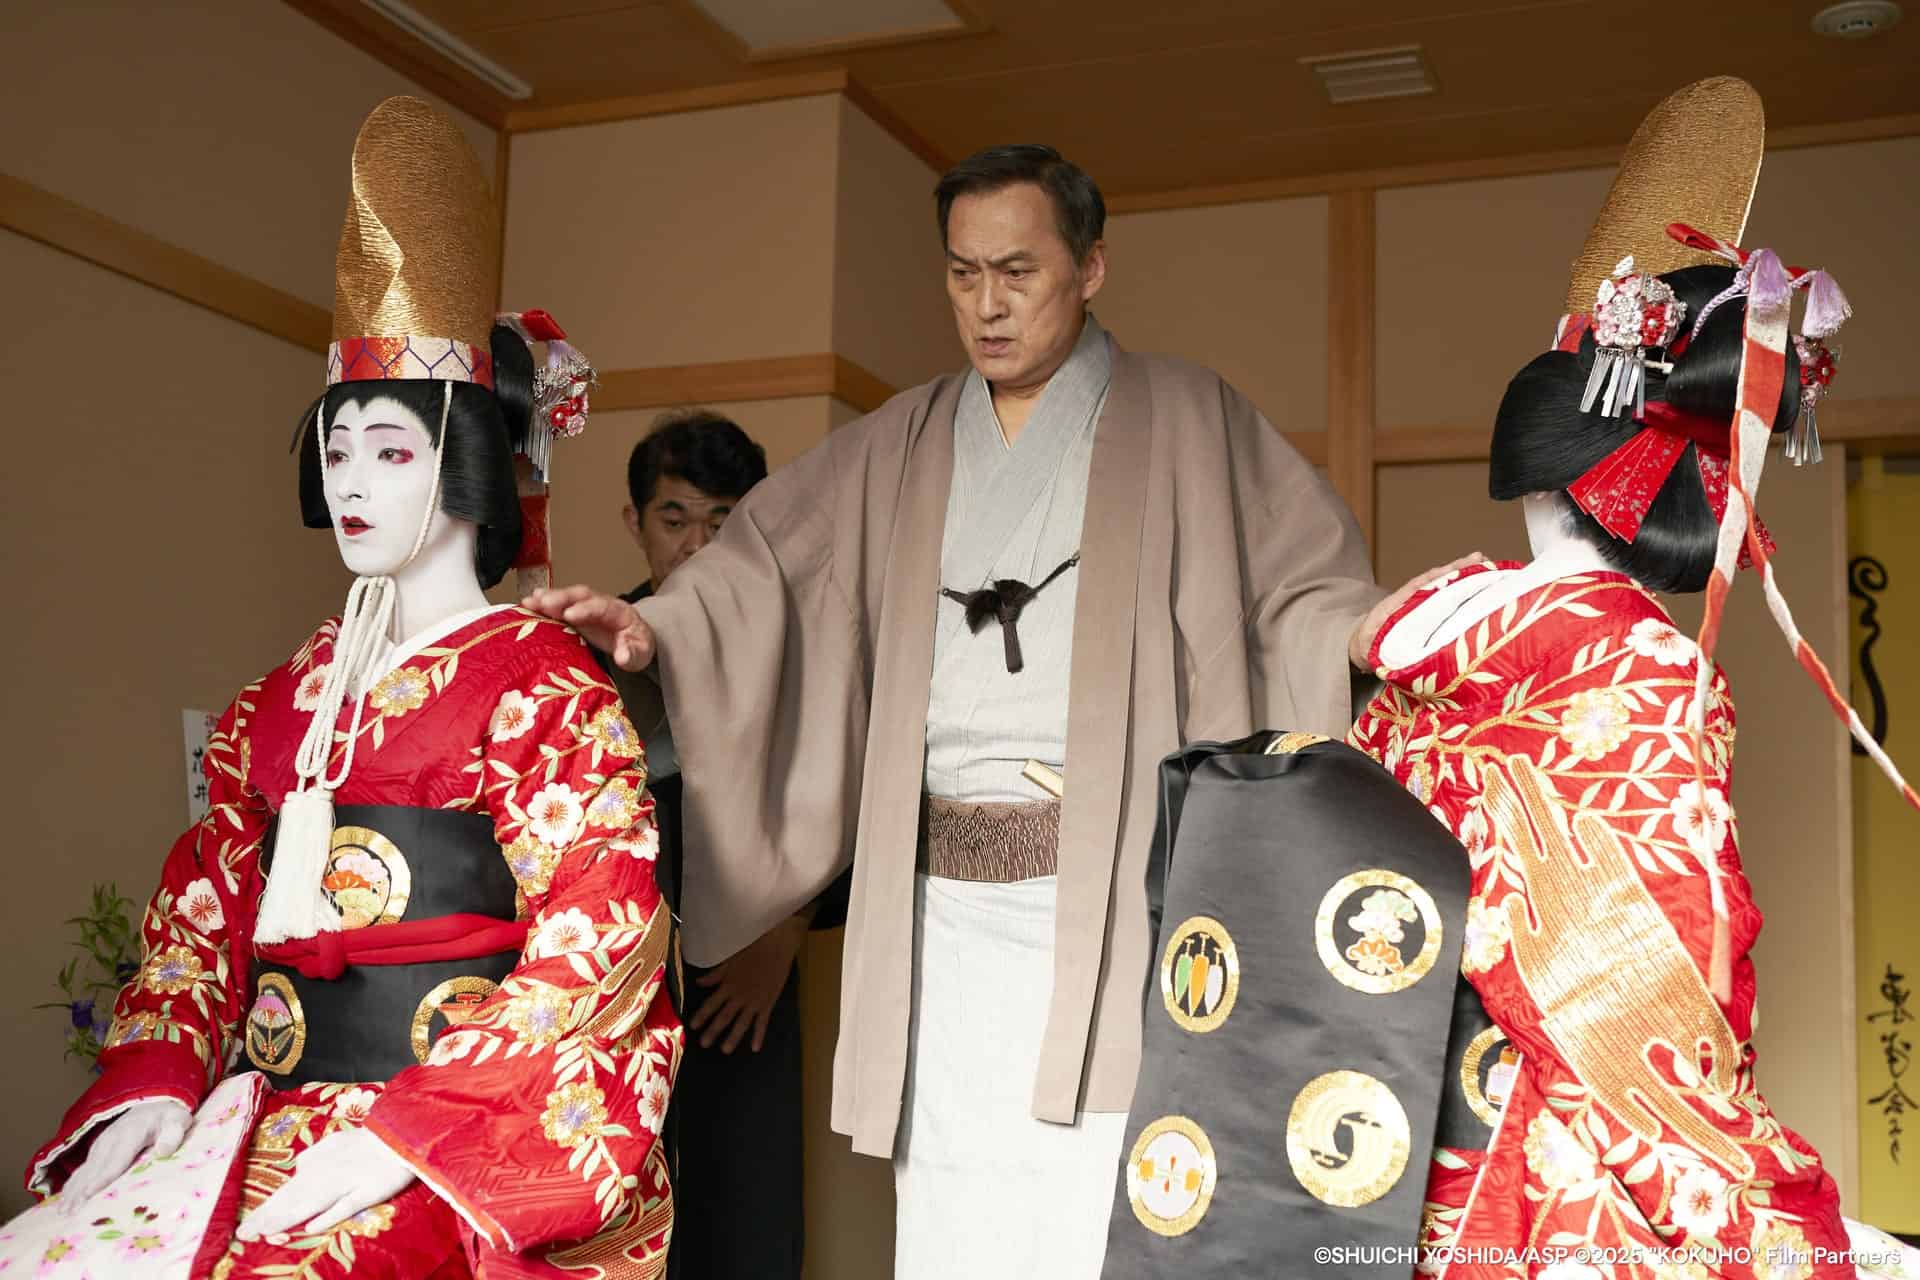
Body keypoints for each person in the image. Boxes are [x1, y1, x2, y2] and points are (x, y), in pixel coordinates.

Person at [529, 143, 1452, 1275]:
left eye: (1017, 271)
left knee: (1098, 1205)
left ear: (1093, 266)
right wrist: (655, 631)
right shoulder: (900, 444)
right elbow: (763, 570)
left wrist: (1373, 634)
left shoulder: (1189, 417)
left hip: (1114, 903)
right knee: (952, 1213)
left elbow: (1300, 592)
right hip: (938, 918)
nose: (987, 305)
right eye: (963, 275)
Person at [0, 97, 678, 1278]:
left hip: (436, 1130)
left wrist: (420, 1133)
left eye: (392, 449)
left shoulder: (544, 693)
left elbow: (598, 928)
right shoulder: (281, 702)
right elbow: (205, 911)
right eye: (339, 444)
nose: (353, 478)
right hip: (261, 1106)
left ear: (465, 461)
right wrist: (154, 1081)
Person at [1348, 78, 1919, 1278]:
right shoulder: (1645, 664)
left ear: (1542, 471)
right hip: (1583, 1166)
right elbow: (1686, 951)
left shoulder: (1429, 637)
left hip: (1403, 1137)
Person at [598, 410, 849, 1280]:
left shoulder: (796, 649)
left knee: (747, 1216)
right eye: (676, 519)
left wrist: (782, 936)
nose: (700, 546)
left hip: (741, 988)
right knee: (620, 1211)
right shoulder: (594, 647)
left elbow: (842, 799)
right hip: (610, 990)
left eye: (725, 520)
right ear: (636, 524)